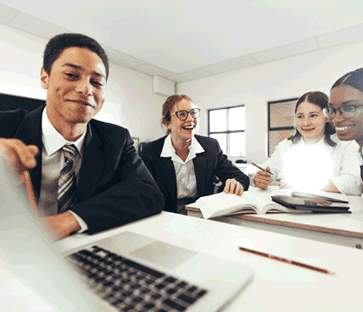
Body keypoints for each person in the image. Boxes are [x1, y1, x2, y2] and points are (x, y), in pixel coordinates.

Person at [0, 33, 164, 240]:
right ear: (45, 77)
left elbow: (148, 192)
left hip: (82, 248)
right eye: (71, 75)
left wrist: (68, 220)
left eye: (96, 82)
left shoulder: (116, 138)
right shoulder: (5, 126)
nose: (85, 89)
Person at [140, 94, 249, 213]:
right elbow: (143, 192)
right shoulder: (151, 151)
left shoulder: (210, 147)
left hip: (203, 213)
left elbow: (240, 177)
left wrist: (235, 183)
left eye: (193, 113)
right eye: (182, 114)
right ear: (167, 123)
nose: (190, 119)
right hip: (166, 215)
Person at [253, 91, 362, 195]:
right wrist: (260, 178)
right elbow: (267, 169)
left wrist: (304, 182)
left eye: (313, 115)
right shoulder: (285, 146)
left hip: (334, 212)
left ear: (328, 116)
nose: (305, 123)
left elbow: (355, 182)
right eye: (300, 116)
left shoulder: (346, 144)